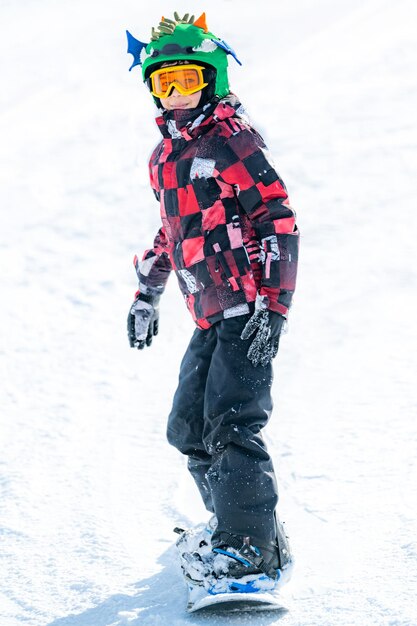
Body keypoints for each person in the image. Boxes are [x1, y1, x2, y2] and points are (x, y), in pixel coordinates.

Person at [126, 12, 299, 592]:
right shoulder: (166, 156)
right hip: (208, 310)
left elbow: (278, 219)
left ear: (213, 78)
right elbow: (171, 231)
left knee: (231, 422)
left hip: (247, 306)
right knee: (188, 429)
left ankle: (252, 552)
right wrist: (147, 293)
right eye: (165, 83)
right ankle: (239, 525)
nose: (177, 95)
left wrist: (273, 308)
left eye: (188, 81)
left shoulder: (230, 140)